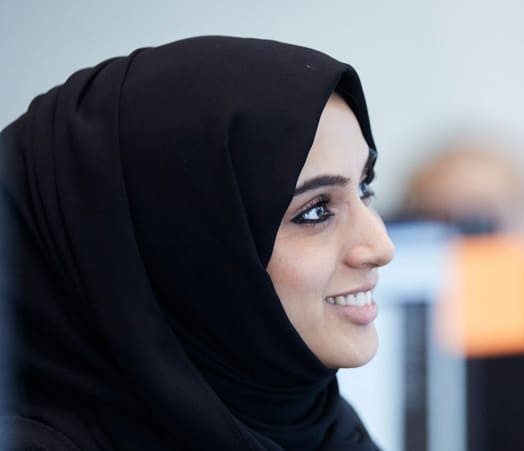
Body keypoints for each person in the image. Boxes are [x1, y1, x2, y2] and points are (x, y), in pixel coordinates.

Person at [0, 36, 393, 450]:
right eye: (315, 210)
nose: (381, 246)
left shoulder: (321, 429)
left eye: (365, 186)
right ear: (181, 254)